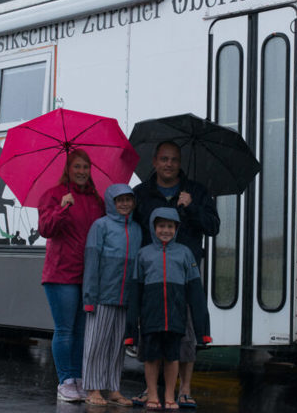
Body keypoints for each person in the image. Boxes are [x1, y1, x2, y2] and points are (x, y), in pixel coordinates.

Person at [133, 140, 219, 408]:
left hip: (186, 271)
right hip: (153, 274)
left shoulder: (197, 191)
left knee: (186, 332)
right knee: (154, 332)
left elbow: (213, 227)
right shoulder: (142, 193)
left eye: (174, 160)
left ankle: (184, 388)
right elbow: (133, 229)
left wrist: (191, 207)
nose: (169, 164)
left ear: (180, 163)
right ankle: (152, 391)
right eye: (164, 159)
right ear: (155, 161)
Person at [125, 207, 211, 411]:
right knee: (151, 357)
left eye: (170, 226)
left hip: (176, 316)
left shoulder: (184, 253)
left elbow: (196, 294)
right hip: (150, 316)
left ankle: (170, 395)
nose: (165, 230)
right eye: (161, 226)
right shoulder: (144, 254)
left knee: (173, 357)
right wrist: (131, 330)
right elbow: (135, 294)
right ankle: (153, 394)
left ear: (176, 228)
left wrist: (203, 331)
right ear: (153, 227)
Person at [37, 149, 105, 402]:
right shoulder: (54, 195)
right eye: (77, 166)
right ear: (68, 168)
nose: (82, 172)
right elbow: (45, 229)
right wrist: (62, 208)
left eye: (86, 167)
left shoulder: (96, 200)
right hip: (61, 274)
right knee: (65, 330)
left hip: (87, 276)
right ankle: (65, 380)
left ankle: (78, 378)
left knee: (81, 330)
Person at [81, 184, 142, 407]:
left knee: (117, 346)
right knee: (96, 343)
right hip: (102, 297)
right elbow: (92, 261)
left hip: (125, 299)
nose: (125, 204)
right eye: (120, 200)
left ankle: (114, 388)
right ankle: (93, 389)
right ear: (111, 203)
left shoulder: (137, 229)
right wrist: (89, 298)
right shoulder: (100, 226)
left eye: (129, 199)